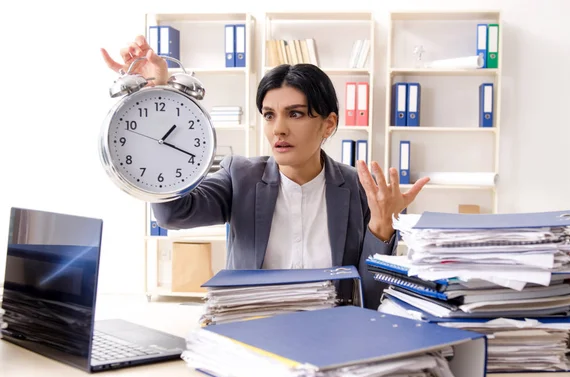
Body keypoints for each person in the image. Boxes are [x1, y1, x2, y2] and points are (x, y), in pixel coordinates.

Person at [101, 36, 430, 310]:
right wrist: (158, 94)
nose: (279, 129)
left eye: (295, 114)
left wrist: (382, 228)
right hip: (253, 332)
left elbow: (369, 301)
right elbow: (173, 213)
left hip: (333, 337)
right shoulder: (239, 176)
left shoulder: (362, 192)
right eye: (269, 115)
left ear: (328, 124)